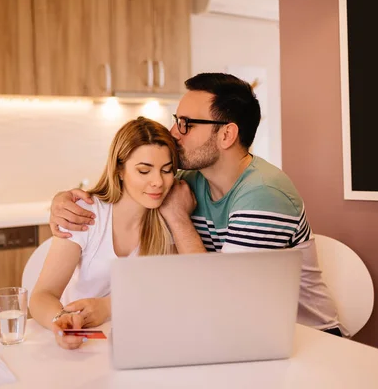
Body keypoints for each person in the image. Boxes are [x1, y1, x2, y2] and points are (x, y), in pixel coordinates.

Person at [50, 73, 348, 337]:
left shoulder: (263, 194)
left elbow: (222, 300)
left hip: (304, 339)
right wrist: (63, 202)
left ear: (227, 134)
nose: (173, 132)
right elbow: (129, 181)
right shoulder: (185, 180)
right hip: (232, 332)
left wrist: (178, 219)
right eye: (176, 120)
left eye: (186, 124)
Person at [29, 117, 179, 350]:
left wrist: (110, 306)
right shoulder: (86, 214)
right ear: (119, 170)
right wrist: (61, 321)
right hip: (83, 342)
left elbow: (168, 292)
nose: (158, 182)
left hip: (138, 341)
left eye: (166, 170)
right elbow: (41, 296)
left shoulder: (169, 217)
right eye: (144, 170)